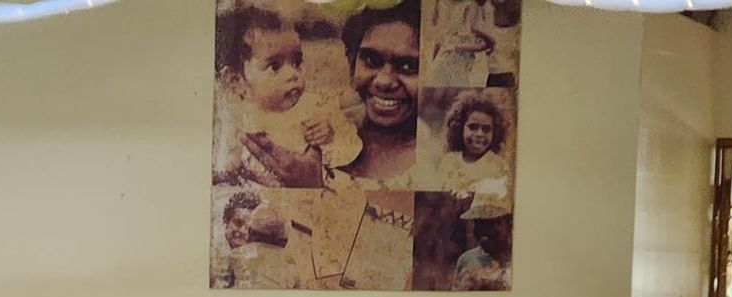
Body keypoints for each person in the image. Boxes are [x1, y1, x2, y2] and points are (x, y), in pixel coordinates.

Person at [214, 5, 358, 189]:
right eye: (275, 66)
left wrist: (330, 136)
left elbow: (350, 156)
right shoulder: (234, 121)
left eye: (296, 62)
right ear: (236, 80)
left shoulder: (315, 108)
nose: (293, 74)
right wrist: (230, 164)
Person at [339, 1, 422, 188]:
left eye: (408, 66)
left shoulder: (443, 158)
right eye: (371, 60)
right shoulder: (326, 132)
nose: (383, 81)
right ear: (351, 60)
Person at [431, 89, 510, 197]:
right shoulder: (449, 161)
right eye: (473, 127)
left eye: (486, 129)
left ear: (495, 133)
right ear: (460, 128)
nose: (479, 134)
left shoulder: (497, 165)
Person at [453, 183, 513, 291]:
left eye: (491, 223)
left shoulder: (520, 262)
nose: (483, 231)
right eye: (478, 223)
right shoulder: (467, 261)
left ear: (509, 223)